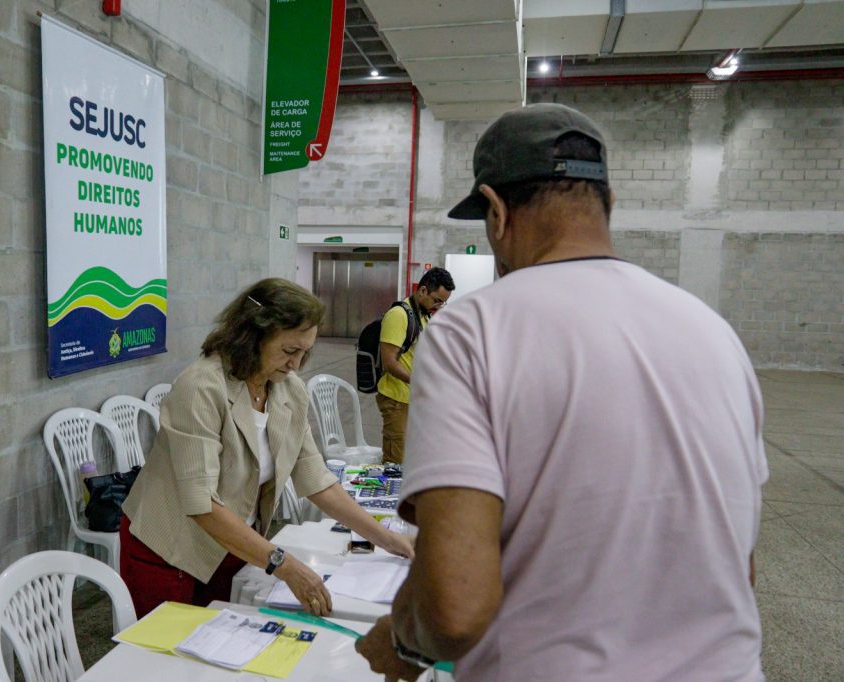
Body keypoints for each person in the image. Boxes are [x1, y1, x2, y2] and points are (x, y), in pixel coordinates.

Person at [356, 103, 768, 681]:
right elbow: (737, 566)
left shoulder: (473, 333)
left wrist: (402, 640)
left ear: (496, 213)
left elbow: (455, 606)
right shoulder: (714, 334)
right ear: (609, 204)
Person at [121, 278, 414, 618]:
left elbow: (316, 479)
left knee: (215, 649)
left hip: (230, 544)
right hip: (168, 547)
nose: (296, 365)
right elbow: (200, 504)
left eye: (306, 352)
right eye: (290, 351)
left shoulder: (288, 390)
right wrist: (285, 565)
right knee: (168, 660)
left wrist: (389, 540)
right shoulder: (202, 388)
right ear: (252, 336)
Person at [376, 267, 455, 464]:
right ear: (422, 291)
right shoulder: (399, 315)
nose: (438, 306)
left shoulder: (422, 315)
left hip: (412, 398)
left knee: (411, 458)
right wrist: (418, 381)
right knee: (396, 461)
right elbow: (389, 362)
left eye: (443, 303)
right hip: (396, 400)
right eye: (436, 300)